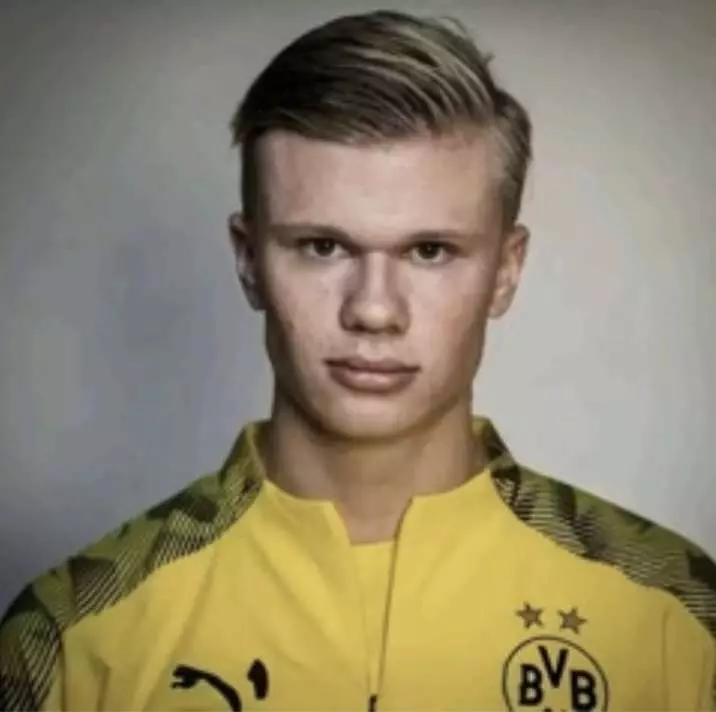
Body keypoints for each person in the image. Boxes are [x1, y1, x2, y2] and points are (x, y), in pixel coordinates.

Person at [1, 9, 715, 711]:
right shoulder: (72, 635)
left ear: (506, 270)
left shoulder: (674, 614)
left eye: (429, 251)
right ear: (248, 261)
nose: (374, 310)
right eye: (322, 247)